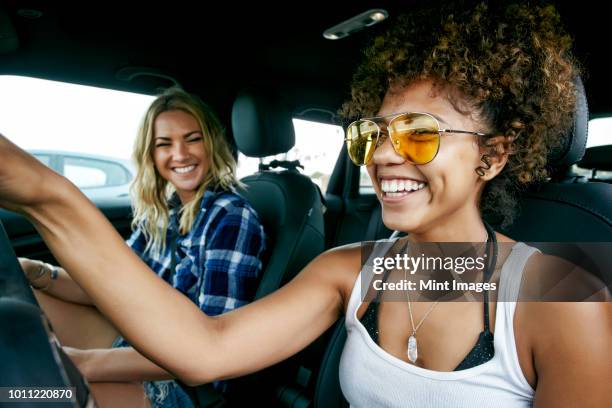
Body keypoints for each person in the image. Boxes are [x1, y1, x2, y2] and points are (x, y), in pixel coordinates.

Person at [0, 2, 609, 406]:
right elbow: (204, 350)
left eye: (419, 132)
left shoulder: (565, 302)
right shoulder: (351, 270)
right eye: (373, 133)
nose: (385, 157)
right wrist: (47, 197)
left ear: (492, 156)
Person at [16, 87, 266, 408]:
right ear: (151, 153)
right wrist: (37, 272)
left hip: (180, 380)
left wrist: (85, 362)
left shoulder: (232, 217)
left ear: (211, 143)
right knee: (22, 304)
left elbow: (213, 349)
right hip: (141, 342)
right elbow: (108, 287)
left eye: (192, 139)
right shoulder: (165, 211)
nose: (180, 154)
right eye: (164, 144)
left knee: (37, 393)